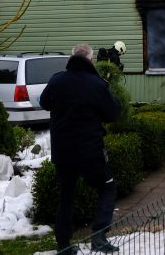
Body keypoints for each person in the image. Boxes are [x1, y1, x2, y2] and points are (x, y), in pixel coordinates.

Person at [39, 44, 120, 254]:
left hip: (63, 152)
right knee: (107, 187)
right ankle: (99, 237)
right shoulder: (97, 84)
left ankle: (64, 245)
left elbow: (43, 102)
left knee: (66, 196)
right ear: (90, 60)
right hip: (89, 151)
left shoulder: (57, 80)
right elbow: (112, 114)